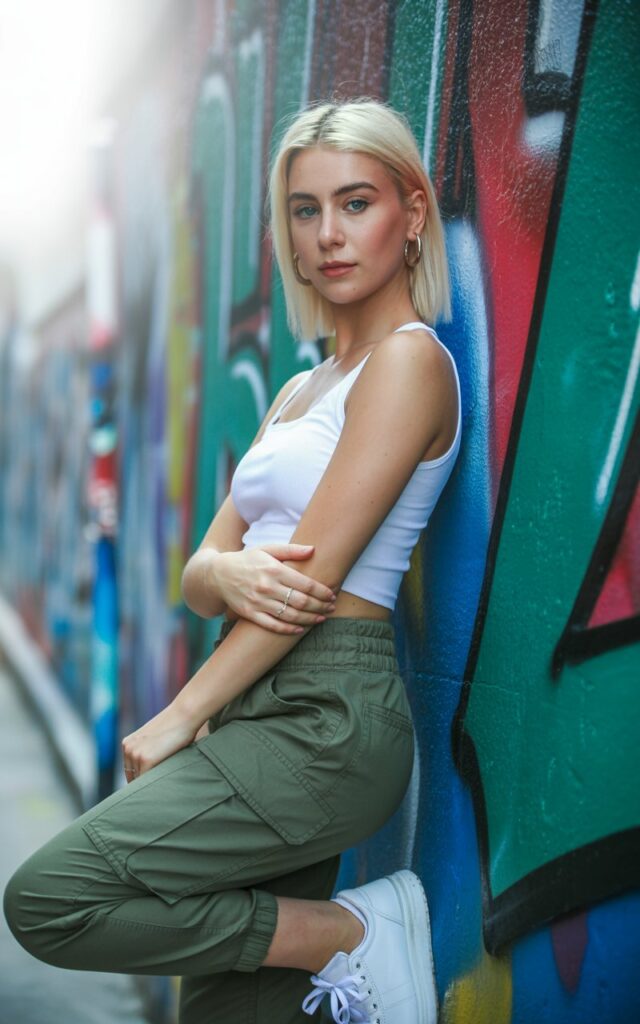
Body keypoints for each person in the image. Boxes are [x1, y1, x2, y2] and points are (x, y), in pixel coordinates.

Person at [4, 97, 461, 1024]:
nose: (328, 234)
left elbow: (304, 586)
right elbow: (203, 567)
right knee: (226, 1011)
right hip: (262, 705)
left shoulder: (410, 366)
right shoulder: (301, 387)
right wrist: (222, 574)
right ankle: (321, 943)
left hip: (326, 717)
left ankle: (347, 935)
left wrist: (181, 712)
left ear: (412, 215)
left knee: (50, 896)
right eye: (305, 209)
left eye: (356, 203)